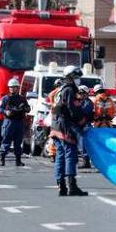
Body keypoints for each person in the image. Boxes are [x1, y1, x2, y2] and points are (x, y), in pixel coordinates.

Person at [49, 66, 88, 197]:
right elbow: (73, 109)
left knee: (60, 154)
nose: (78, 80)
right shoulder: (69, 90)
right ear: (70, 77)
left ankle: (61, 185)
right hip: (64, 124)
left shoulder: (60, 89)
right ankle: (72, 185)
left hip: (55, 124)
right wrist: (82, 120)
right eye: (76, 77)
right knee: (70, 153)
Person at [0, 78, 30, 166]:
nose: (12, 89)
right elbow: (0, 108)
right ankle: (2, 159)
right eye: (10, 87)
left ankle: (18, 160)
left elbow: (28, 108)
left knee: (18, 142)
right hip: (9, 122)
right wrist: (5, 112)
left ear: (17, 88)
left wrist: (26, 108)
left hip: (19, 122)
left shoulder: (22, 99)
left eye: (14, 87)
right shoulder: (5, 98)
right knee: (6, 141)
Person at [77, 85, 94, 169]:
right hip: (79, 125)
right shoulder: (80, 101)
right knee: (79, 144)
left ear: (86, 94)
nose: (80, 94)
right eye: (79, 93)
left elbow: (83, 112)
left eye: (81, 93)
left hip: (85, 125)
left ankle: (86, 161)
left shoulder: (88, 102)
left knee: (83, 143)